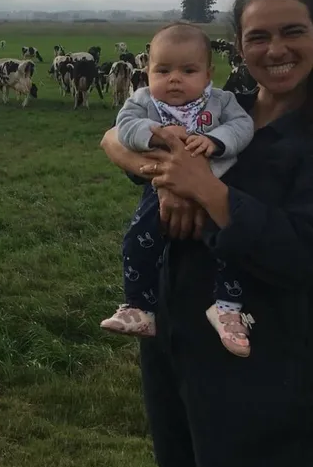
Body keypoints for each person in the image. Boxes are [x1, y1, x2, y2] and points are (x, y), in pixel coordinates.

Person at [99, 0, 313, 467]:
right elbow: (120, 134)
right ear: (237, 48)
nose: (275, 50)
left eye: (292, 32)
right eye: (258, 36)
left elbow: (304, 255)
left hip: (261, 365)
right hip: (174, 345)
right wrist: (151, 170)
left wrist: (209, 191)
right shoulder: (219, 115)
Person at [102, 23, 256, 357]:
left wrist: (215, 141)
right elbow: (122, 127)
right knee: (137, 242)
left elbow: (243, 126)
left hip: (215, 190)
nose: (175, 79)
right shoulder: (144, 101)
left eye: (188, 70)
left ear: (208, 73)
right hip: (160, 190)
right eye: (164, 70)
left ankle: (227, 308)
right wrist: (156, 134)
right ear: (147, 70)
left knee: (229, 247)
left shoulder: (222, 101)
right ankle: (140, 308)